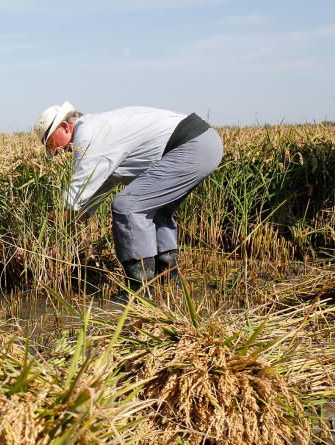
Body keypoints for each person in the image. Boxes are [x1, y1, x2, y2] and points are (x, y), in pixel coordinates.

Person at [33, 102, 223, 301]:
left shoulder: (88, 136)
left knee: (127, 206)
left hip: (191, 145)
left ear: (64, 127)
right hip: (203, 142)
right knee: (155, 210)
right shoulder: (101, 134)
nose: (53, 152)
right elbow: (88, 201)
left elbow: (74, 199)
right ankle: (168, 282)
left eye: (49, 143)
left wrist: (44, 241)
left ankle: (139, 292)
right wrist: (60, 238)